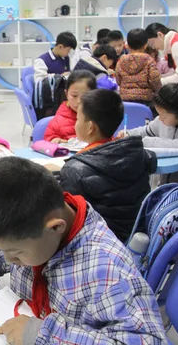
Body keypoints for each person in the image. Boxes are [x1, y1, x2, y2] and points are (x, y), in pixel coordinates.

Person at [0, 157, 171, 345]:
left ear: (55, 228)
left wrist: (44, 336)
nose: (7, 260)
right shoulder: (27, 227)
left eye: (15, 253)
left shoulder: (108, 270)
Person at [59, 89, 156, 242]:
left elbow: (70, 222)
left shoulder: (74, 170)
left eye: (77, 119)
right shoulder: (136, 152)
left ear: (91, 127)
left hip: (100, 244)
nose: (75, 123)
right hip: (136, 236)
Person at [118, 76, 178, 203]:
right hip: (164, 190)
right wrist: (128, 135)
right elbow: (146, 131)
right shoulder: (163, 120)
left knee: (172, 220)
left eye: (163, 116)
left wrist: (145, 142)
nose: (159, 119)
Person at [43, 70, 97, 143]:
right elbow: (48, 144)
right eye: (74, 96)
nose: (79, 101)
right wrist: (56, 141)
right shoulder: (57, 122)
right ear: (66, 94)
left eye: (85, 96)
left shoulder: (99, 117)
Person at [115, 28, 162, 105]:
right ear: (145, 45)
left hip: (125, 102)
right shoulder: (149, 61)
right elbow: (155, 82)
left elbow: (118, 81)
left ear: (127, 46)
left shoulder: (121, 61)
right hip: (146, 102)